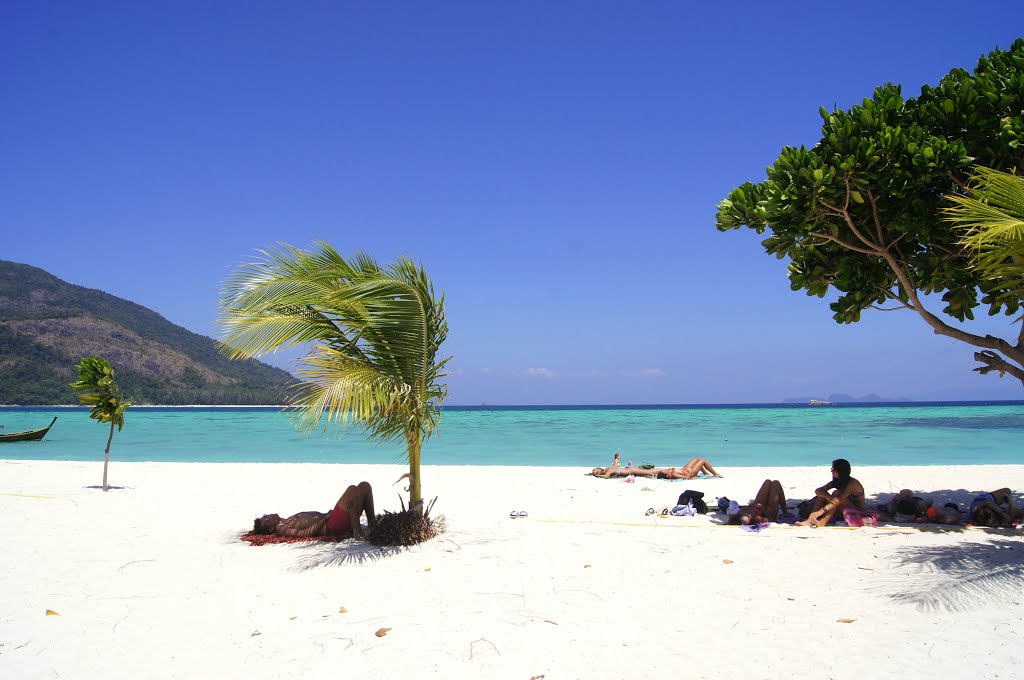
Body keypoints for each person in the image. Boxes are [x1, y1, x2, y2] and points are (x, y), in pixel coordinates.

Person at [252, 481, 376, 540]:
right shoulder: (281, 527)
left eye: (265, 515)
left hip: (331, 519)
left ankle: (372, 523)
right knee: (352, 490)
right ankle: (357, 532)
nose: (268, 515)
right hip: (330, 525)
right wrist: (325, 518)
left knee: (364, 486)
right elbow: (303, 533)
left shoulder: (286, 520)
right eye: (266, 519)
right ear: (270, 528)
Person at [796, 458, 866, 528]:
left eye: (833, 469)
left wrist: (821, 511)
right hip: (843, 510)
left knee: (836, 493)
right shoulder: (837, 481)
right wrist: (827, 496)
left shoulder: (853, 483)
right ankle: (809, 520)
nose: (831, 471)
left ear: (841, 471)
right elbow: (818, 491)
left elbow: (839, 499)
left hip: (857, 513)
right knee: (822, 495)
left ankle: (822, 522)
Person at [590, 457, 721, 480]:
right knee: (702, 460)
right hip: (688, 472)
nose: (597, 472)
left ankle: (704, 473)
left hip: (684, 469)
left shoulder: (609, 469)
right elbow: (686, 477)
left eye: (596, 470)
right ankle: (714, 474)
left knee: (697, 458)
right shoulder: (608, 471)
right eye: (596, 472)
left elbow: (612, 469)